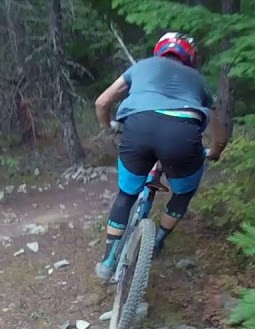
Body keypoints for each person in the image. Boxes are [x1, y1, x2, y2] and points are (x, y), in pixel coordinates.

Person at [92, 32, 230, 281]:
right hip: (181, 136)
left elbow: (102, 103)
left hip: (139, 128)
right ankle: (157, 242)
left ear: (160, 50)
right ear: (190, 57)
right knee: (183, 193)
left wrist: (108, 126)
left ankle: (108, 261)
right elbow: (218, 134)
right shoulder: (197, 80)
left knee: (126, 194)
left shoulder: (140, 67)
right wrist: (215, 152)